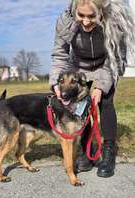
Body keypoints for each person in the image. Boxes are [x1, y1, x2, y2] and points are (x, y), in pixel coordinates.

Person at [49, 0, 135, 177]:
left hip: (107, 63)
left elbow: (115, 60)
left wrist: (101, 87)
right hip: (79, 65)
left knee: (105, 100)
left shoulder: (115, 22)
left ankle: (109, 151)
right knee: (81, 106)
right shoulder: (65, 21)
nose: (86, 22)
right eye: (81, 15)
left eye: (91, 16)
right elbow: (60, 54)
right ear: (75, 11)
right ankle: (87, 150)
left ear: (102, 12)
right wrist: (55, 83)